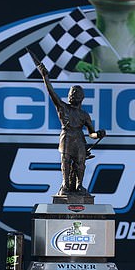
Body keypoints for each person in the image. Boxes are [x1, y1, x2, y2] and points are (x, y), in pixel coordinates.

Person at [37, 62, 106, 196]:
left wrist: (97, 134)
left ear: (81, 98)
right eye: (72, 93)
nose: (73, 95)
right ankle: (66, 184)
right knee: (66, 161)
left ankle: (79, 185)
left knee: (80, 163)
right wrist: (45, 77)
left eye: (76, 94)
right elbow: (52, 93)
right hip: (67, 136)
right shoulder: (63, 107)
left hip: (79, 139)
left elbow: (90, 133)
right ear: (69, 96)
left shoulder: (84, 115)